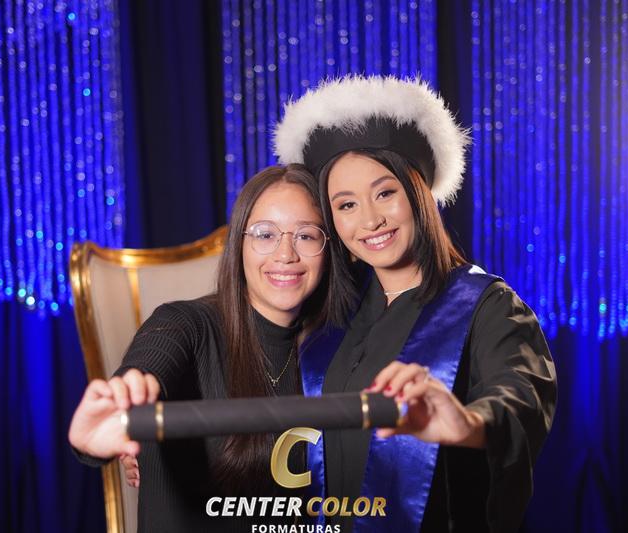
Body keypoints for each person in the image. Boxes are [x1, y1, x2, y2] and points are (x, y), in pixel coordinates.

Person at [272, 75, 557, 532]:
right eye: (346, 205)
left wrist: (467, 422)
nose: (370, 220)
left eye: (385, 193)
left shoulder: (488, 305)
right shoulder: (328, 317)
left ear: (419, 192)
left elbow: (520, 398)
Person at [68, 164, 333, 532]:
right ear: (238, 245)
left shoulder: (332, 348)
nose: (286, 254)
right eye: (265, 234)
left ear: (328, 248)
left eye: (306, 235)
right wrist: (127, 399)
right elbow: (152, 360)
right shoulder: (186, 324)